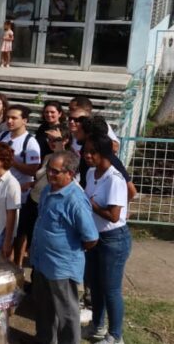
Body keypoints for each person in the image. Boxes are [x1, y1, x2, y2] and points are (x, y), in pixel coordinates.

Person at [30, 150, 98, 344]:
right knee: (44, 309)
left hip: (61, 267)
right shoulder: (47, 190)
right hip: (42, 262)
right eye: (49, 169)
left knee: (66, 314)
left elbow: (91, 237)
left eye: (55, 171)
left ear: (70, 173)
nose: (50, 174)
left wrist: (68, 252)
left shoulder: (75, 200)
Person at [82, 136, 131, 344]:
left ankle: (115, 336)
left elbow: (114, 216)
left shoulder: (114, 179)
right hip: (95, 237)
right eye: (85, 151)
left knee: (111, 290)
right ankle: (97, 326)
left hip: (113, 240)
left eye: (92, 152)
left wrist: (91, 205)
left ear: (104, 154)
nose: (87, 156)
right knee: (95, 285)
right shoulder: (91, 172)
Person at [0, 105, 42, 267]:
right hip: (1, 191)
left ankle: (17, 266)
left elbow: (33, 169)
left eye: (14, 118)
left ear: (25, 120)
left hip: (20, 196)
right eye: (8, 117)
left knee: (17, 232)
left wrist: (13, 162)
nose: (9, 121)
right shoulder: (2, 135)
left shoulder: (30, 142)